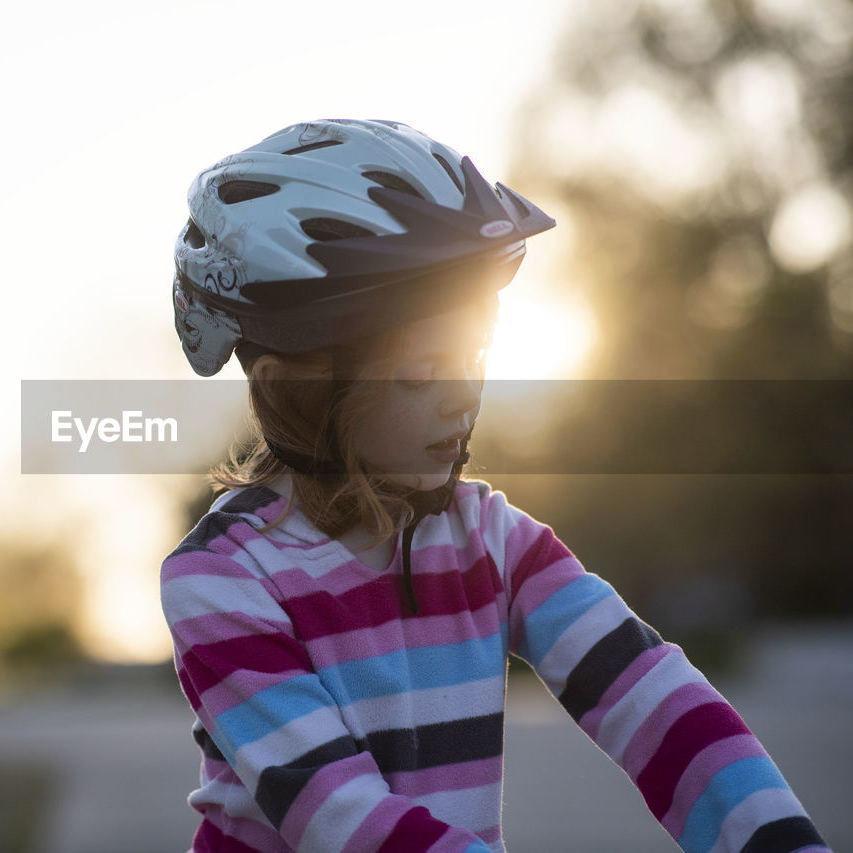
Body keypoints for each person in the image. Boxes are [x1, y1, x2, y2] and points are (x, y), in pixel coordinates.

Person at [160, 119, 829, 853]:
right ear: (298, 391)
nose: (462, 398)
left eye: (474, 356)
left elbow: (654, 699)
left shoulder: (490, 541)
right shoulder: (222, 578)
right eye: (420, 373)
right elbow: (337, 814)